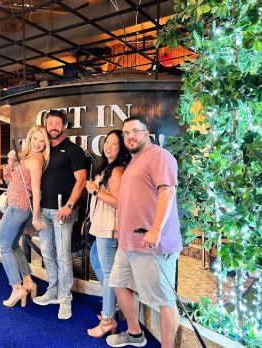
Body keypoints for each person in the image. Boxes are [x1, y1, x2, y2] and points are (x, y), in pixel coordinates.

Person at [106, 117, 183, 348]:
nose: (130, 136)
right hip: (128, 243)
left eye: (135, 131)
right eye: (126, 132)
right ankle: (135, 334)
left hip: (153, 244)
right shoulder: (133, 162)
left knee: (165, 301)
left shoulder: (159, 156)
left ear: (146, 133)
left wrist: (156, 230)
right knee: (119, 284)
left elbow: (167, 192)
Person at [33, 109, 87, 320]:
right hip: (44, 212)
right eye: (50, 123)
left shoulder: (72, 150)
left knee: (64, 257)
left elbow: (81, 180)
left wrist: (70, 205)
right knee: (47, 254)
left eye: (57, 123)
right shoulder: (43, 150)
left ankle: (65, 299)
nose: (53, 127)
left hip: (62, 212)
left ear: (64, 125)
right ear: (45, 125)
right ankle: (53, 291)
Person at [0, 125, 50, 308]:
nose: (38, 143)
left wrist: (35, 217)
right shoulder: (26, 155)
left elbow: (37, 192)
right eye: (35, 139)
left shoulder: (36, 160)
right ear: (29, 138)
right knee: (12, 245)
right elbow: (10, 180)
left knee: (3, 247)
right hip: (15, 206)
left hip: (18, 209)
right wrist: (11, 161)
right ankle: (28, 282)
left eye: (42, 141)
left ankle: (16, 287)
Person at [85, 130, 131, 338]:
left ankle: (107, 319)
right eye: (107, 142)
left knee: (109, 275)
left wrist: (95, 190)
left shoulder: (117, 171)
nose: (109, 146)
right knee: (98, 265)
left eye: (114, 143)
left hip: (109, 228)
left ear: (121, 148)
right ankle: (115, 305)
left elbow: (119, 202)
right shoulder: (108, 168)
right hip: (100, 225)